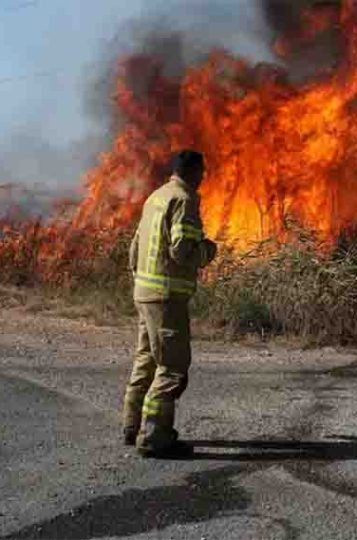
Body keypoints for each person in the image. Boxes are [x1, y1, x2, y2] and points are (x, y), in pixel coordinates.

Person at [122, 150, 218, 459]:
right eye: (202, 172)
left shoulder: (156, 197)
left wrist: (140, 280)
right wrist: (207, 251)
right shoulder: (185, 199)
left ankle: (131, 425)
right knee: (173, 368)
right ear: (192, 171)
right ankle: (154, 437)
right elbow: (181, 250)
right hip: (166, 297)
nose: (204, 178)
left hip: (145, 292)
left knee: (147, 360)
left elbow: (134, 246)